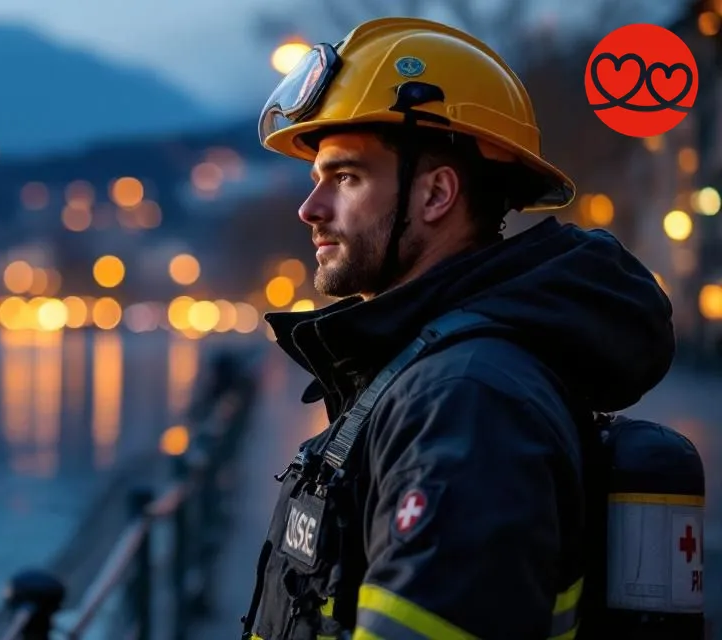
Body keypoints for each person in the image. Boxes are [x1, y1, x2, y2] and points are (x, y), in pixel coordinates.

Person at [240, 16, 675, 640]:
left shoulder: (467, 401)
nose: (310, 210)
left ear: (437, 195)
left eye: (345, 177)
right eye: (318, 182)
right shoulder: (430, 374)